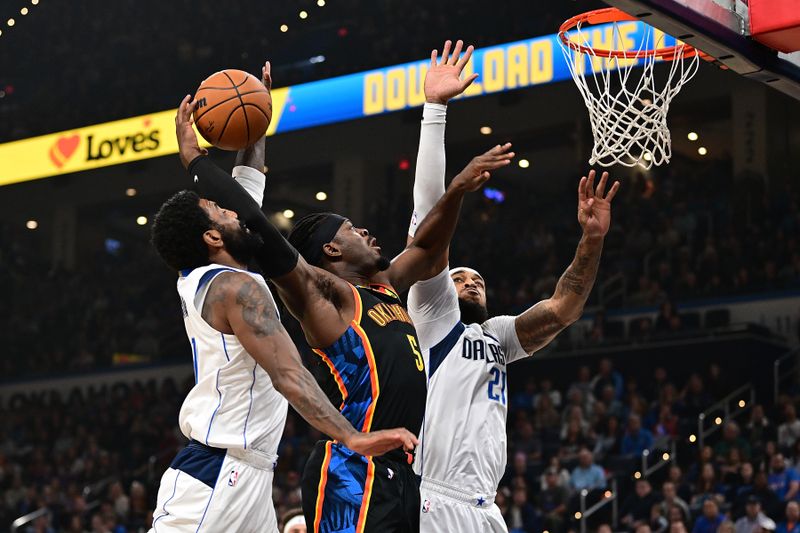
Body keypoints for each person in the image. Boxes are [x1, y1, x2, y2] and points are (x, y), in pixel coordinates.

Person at [177, 49, 508, 532]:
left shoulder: (388, 285)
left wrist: (456, 187)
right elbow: (256, 226)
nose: (368, 233)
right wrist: (194, 163)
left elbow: (431, 242)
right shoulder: (321, 295)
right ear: (330, 249)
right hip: (351, 472)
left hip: (398, 473)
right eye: (353, 228)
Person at [148, 62, 417, 533]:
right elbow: (289, 375)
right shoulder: (235, 287)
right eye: (216, 207)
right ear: (213, 236)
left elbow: (246, 197)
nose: (227, 206)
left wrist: (256, 124)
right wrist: (352, 436)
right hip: (215, 473)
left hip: (251, 475)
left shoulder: (217, 274)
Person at [401, 41, 618, 533]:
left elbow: (564, 308)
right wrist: (435, 111)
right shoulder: (432, 319)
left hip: (487, 508)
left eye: (479, 280)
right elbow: (427, 227)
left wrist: (592, 239)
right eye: (461, 277)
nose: (472, 281)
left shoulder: (497, 337)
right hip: (433, 498)